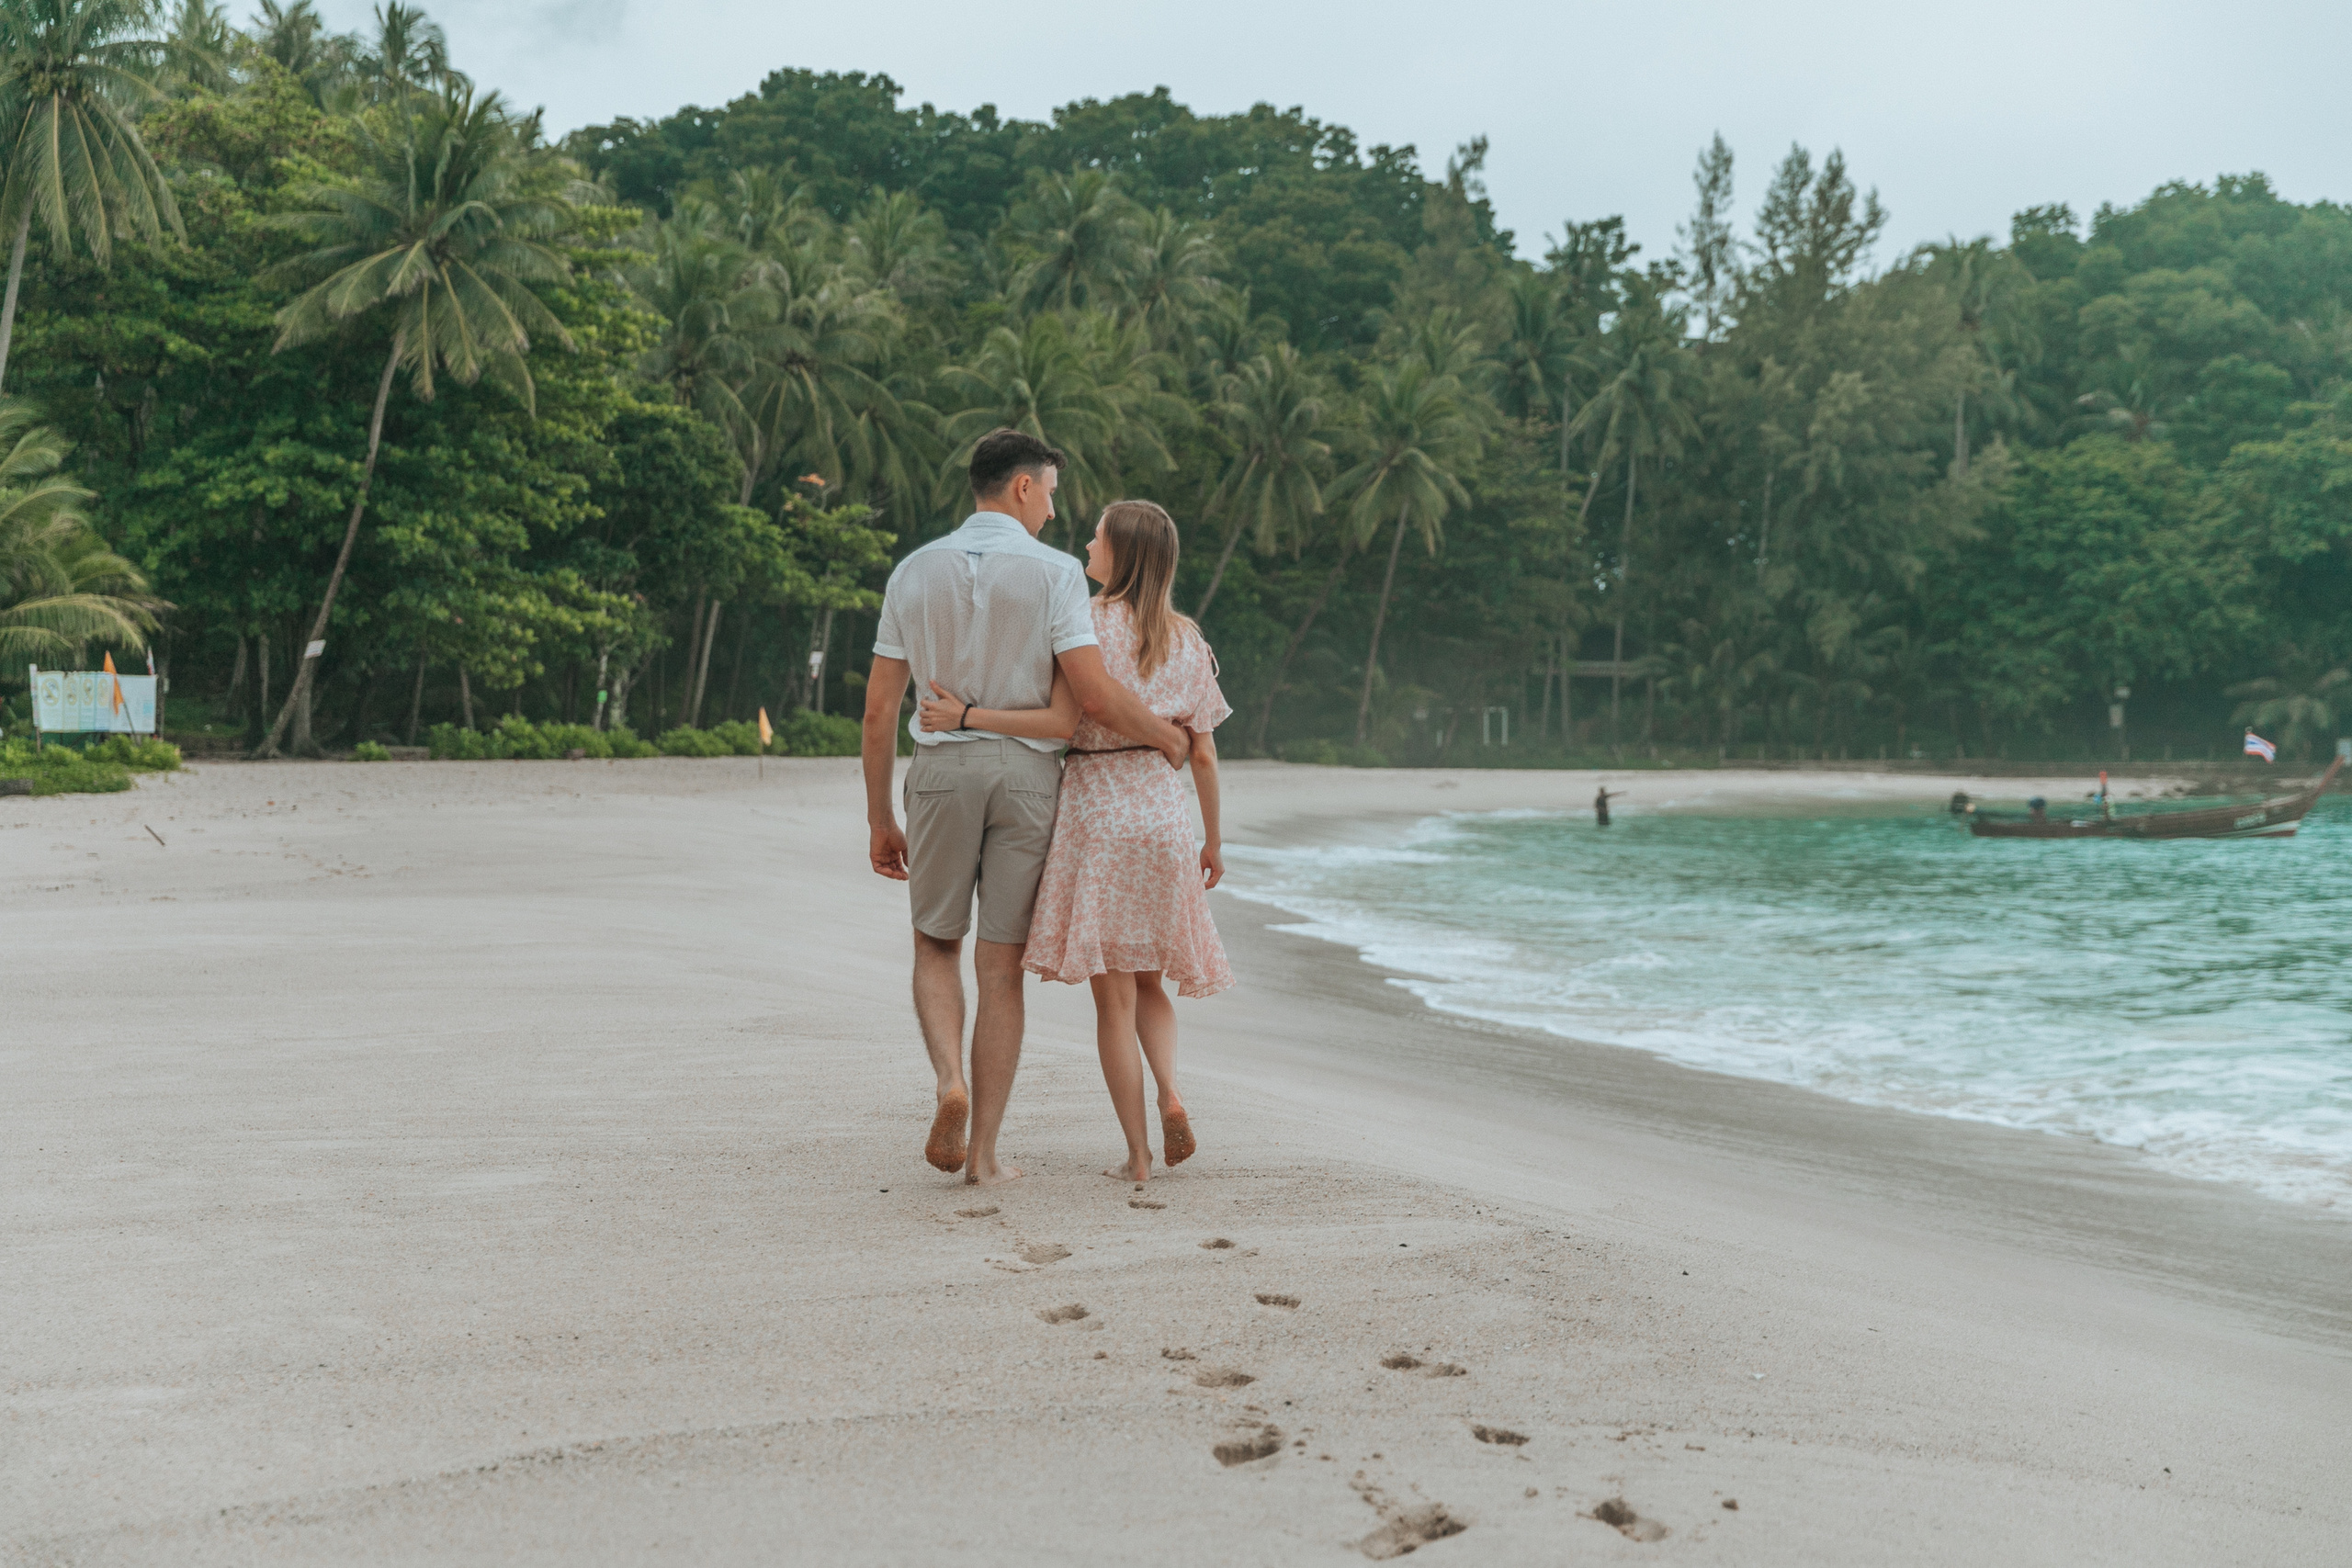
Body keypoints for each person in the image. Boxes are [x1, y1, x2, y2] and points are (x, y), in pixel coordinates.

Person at [862, 431, 1191, 1188]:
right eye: (1049, 491)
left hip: (941, 771)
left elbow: (881, 711)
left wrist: (881, 815)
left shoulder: (912, 572)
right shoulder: (1054, 574)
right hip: (1028, 780)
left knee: (935, 944)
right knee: (1000, 965)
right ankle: (983, 1155)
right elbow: (1094, 694)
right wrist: (1166, 740)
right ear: (1020, 488)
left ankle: (950, 1080)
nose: (1054, 508)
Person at [920, 501, 1232, 1185]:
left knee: (1113, 998)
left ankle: (1139, 1156)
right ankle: (1172, 1092)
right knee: (1153, 982)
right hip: (1163, 812)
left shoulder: (1083, 622)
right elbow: (1203, 755)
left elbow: (1063, 719)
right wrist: (1212, 840)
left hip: (1098, 810)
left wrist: (966, 715)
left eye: (1098, 535)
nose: (1086, 542)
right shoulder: (1188, 638)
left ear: (1120, 554)